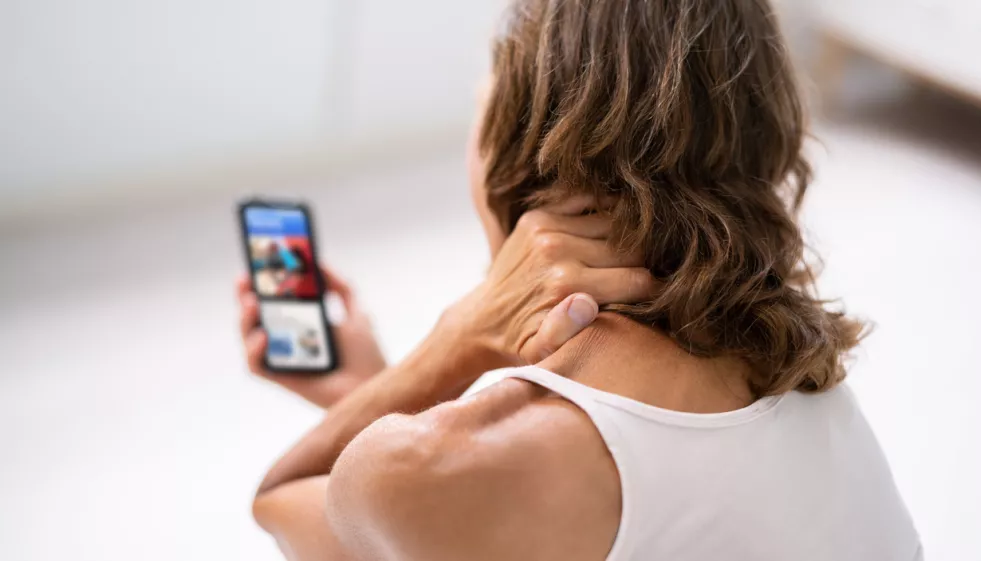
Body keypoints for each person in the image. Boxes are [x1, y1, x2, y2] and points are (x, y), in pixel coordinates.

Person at [238, 0, 922, 560]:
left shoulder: (441, 463)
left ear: (523, 139)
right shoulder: (790, 358)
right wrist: (368, 388)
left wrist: (453, 344)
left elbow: (282, 494)